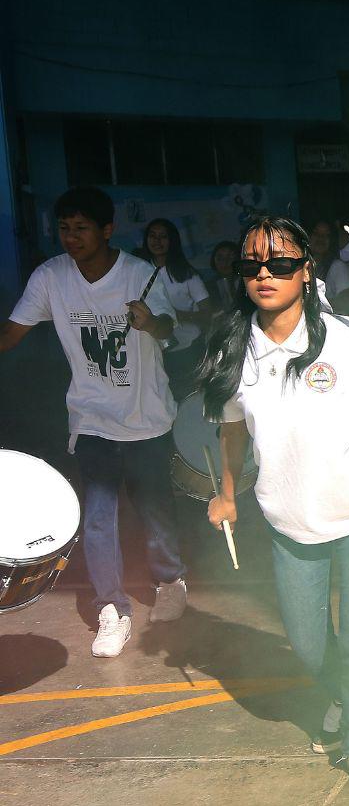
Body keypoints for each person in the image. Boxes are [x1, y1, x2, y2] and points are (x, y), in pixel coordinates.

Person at [199, 216, 349, 797]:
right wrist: (228, 494)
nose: (264, 274)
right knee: (307, 643)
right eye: (252, 264)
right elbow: (232, 430)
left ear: (305, 271)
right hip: (287, 520)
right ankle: (345, 695)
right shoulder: (234, 346)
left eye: (279, 263)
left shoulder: (348, 335)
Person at [0, 186, 190, 657]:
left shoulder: (140, 274)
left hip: (146, 418)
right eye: (64, 228)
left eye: (81, 228)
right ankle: (113, 609)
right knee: (99, 517)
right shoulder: (51, 277)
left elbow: (171, 327)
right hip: (91, 418)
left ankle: (170, 580)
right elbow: (12, 332)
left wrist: (151, 323)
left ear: (106, 230)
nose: (71, 237)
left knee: (154, 510)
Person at [141, 218, 213, 398]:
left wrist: (174, 315)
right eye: (152, 236)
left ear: (172, 241)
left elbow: (207, 314)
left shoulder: (187, 274)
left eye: (163, 237)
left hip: (184, 352)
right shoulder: (138, 270)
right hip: (148, 353)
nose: (157, 241)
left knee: (182, 401)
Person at [207, 240, 239, 313]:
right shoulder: (210, 286)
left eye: (230, 257)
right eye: (220, 258)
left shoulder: (247, 282)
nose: (225, 262)